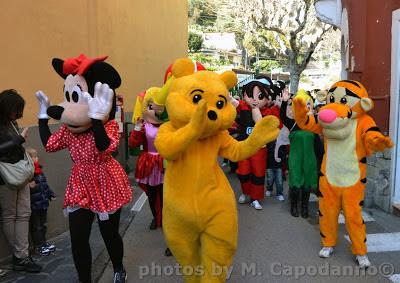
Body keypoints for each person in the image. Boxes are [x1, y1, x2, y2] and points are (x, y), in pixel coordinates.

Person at [0, 89, 42, 273]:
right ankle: (20, 257)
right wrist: (18, 139)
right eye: (16, 109)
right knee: (10, 215)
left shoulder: (12, 122)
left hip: (21, 172)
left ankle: (23, 255)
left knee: (24, 212)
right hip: (5, 176)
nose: (19, 114)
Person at [25, 147, 56, 256]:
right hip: (34, 205)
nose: (36, 158)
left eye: (36, 156)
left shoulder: (39, 171)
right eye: (34, 157)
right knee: (36, 227)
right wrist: (28, 186)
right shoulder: (28, 174)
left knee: (43, 224)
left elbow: (45, 185)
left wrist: (51, 194)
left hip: (43, 203)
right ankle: (38, 246)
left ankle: (43, 242)